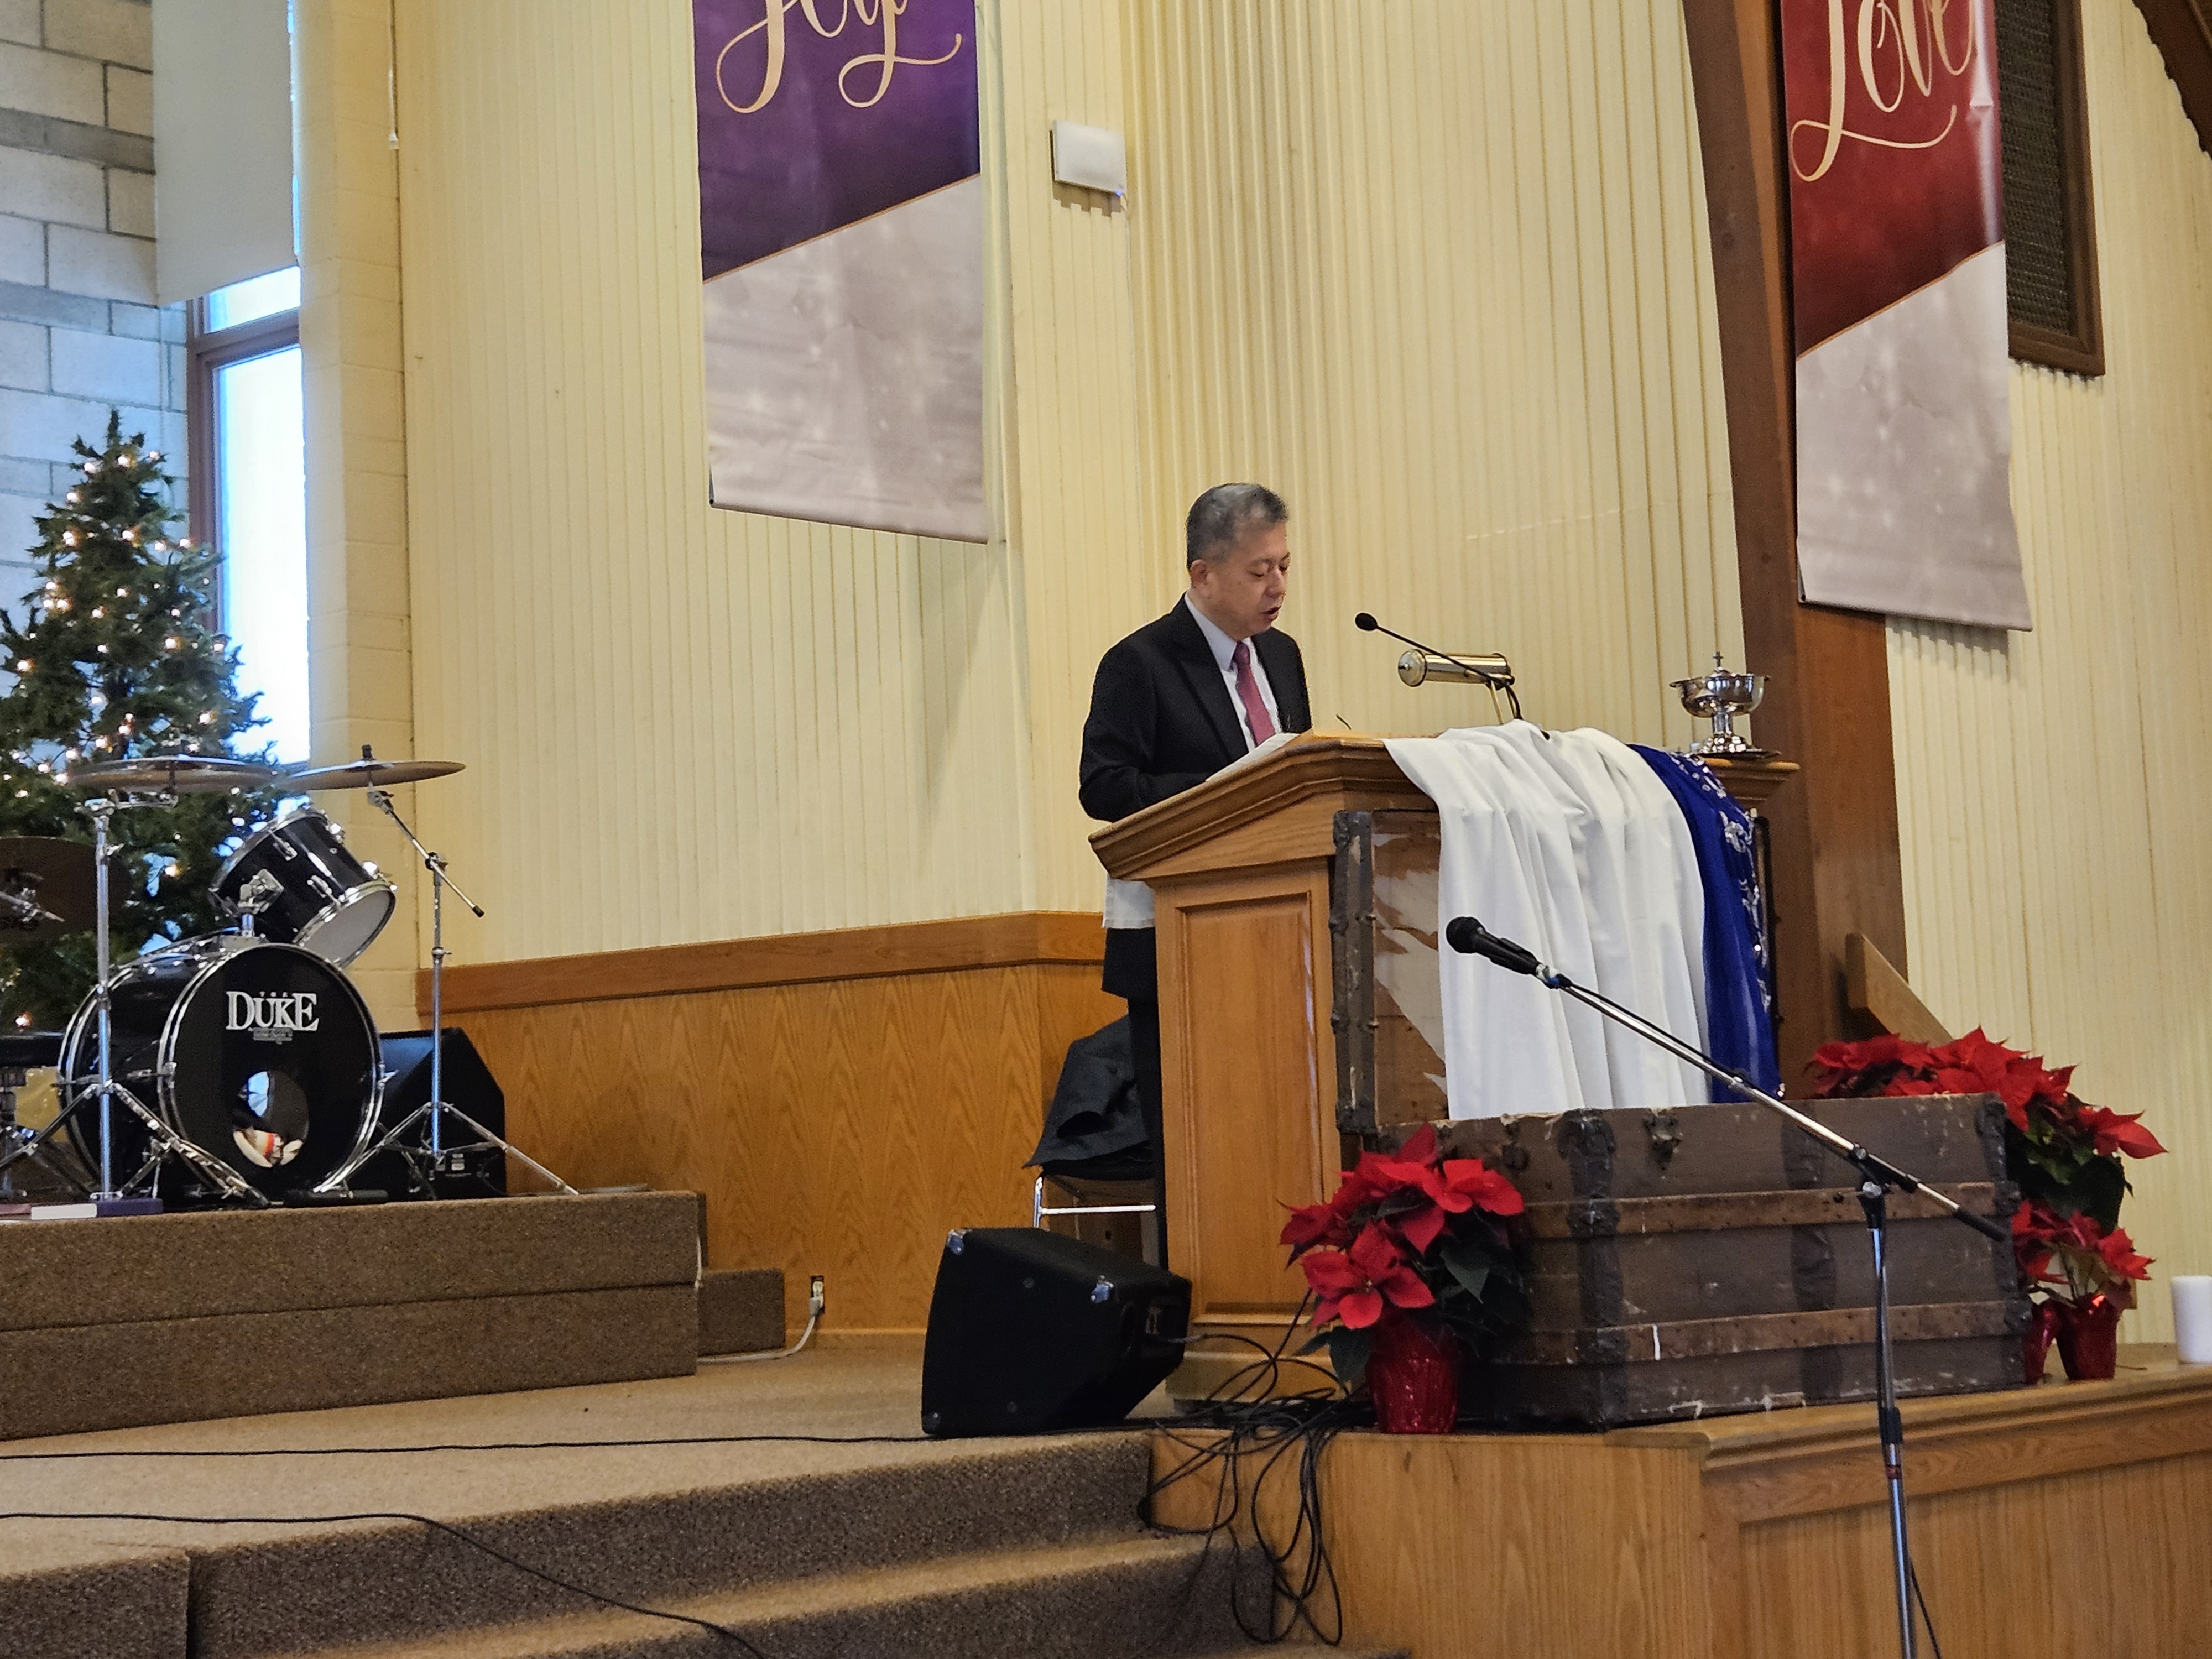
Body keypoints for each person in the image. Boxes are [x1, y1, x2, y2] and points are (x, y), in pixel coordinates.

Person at [1078, 483, 1312, 1265]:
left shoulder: (1283, 657)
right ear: (1203, 574)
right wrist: (1220, 794)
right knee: (1195, 1136)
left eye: (1284, 566)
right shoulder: (1139, 663)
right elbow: (1104, 785)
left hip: (1279, 929)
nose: (1277, 587)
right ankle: (1203, 1295)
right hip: (1178, 937)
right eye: (1259, 571)